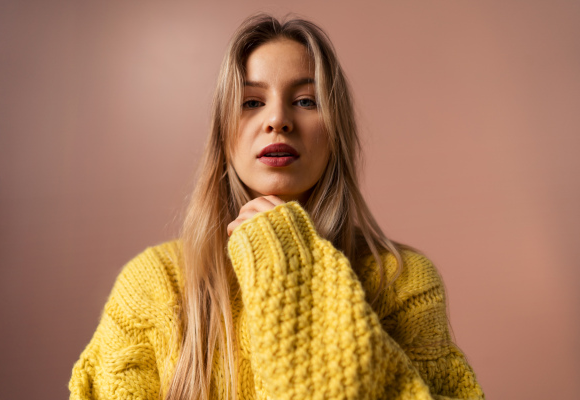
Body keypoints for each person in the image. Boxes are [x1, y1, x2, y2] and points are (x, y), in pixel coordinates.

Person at [69, 14, 484, 400]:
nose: (278, 120)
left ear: (335, 130)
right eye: (251, 102)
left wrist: (285, 254)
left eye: (305, 101)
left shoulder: (401, 281)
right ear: (222, 134)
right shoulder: (153, 284)